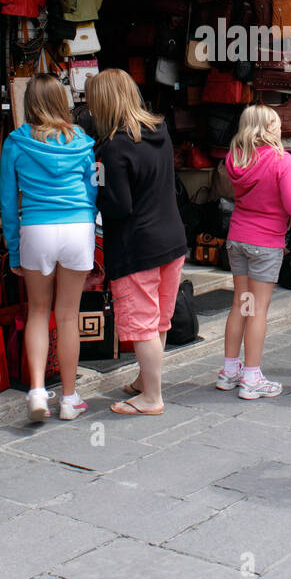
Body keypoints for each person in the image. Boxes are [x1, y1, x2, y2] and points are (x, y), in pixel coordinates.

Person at [86, 69, 186, 417]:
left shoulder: (113, 148)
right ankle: (147, 383)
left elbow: (118, 206)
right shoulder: (159, 130)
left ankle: (151, 397)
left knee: (143, 324)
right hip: (172, 239)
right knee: (158, 321)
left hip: (137, 246)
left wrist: (94, 191)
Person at [0, 73, 97, 423]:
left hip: (36, 227)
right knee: (69, 315)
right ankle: (70, 399)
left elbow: (8, 203)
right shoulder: (83, 141)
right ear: (62, 101)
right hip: (77, 226)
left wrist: (13, 250)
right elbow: (93, 190)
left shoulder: (15, 142)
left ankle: (38, 390)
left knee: (39, 311)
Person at [219, 104, 291, 399]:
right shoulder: (281, 160)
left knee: (241, 305)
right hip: (265, 244)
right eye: (275, 124)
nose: (280, 129)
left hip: (238, 239)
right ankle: (251, 377)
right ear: (267, 128)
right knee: (258, 310)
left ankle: (229, 371)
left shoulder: (236, 158)